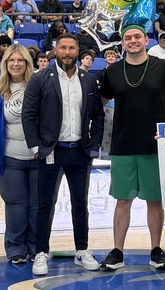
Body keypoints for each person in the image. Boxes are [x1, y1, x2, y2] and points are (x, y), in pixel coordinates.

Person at [98, 25, 165, 271]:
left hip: (156, 144)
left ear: (146, 40)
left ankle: (156, 250)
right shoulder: (113, 72)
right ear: (123, 44)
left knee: (154, 201)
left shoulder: (163, 66)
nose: (133, 41)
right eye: (128, 38)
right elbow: (100, 101)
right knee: (122, 200)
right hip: (123, 144)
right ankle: (117, 251)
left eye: (137, 36)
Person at [22, 34, 105, 276]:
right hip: (51, 151)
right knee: (45, 204)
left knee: (80, 204)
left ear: (78, 51)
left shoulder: (88, 80)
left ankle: (82, 250)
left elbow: (98, 116)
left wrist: (93, 145)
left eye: (71, 48)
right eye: (63, 48)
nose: (67, 52)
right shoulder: (40, 79)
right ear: (55, 50)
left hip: (79, 151)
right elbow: (28, 114)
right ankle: (41, 252)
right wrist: (36, 147)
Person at [0, 44, 40, 264]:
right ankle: (16, 248)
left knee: (37, 206)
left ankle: (37, 248)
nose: (16, 64)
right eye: (11, 60)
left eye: (21, 60)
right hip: (10, 158)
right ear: (5, 64)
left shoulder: (38, 86)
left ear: (27, 63)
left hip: (39, 158)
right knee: (16, 206)